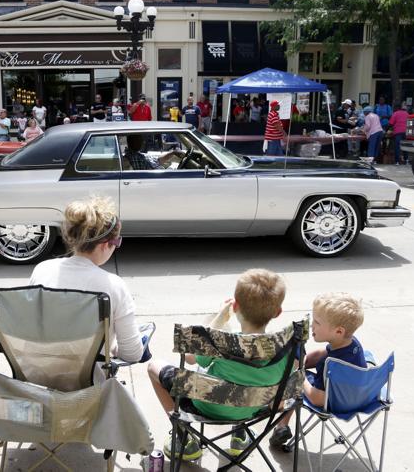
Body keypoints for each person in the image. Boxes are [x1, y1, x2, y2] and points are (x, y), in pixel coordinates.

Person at [148, 269, 288, 460]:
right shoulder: (286, 347)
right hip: (254, 408)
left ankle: (184, 437)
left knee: (154, 367)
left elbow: (189, 357)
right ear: (278, 312)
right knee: (247, 382)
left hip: (208, 406)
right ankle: (240, 434)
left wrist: (220, 319)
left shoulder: (223, 343)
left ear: (236, 306)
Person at [29, 197, 144, 364]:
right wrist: (111, 347)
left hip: (41, 375)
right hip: (90, 385)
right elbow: (133, 354)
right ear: (105, 245)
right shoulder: (113, 285)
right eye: (117, 241)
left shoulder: (42, 270)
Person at [270, 292, 366, 448]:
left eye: (317, 322)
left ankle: (281, 424)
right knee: (297, 360)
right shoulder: (349, 344)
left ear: (338, 331)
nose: (311, 325)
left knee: (292, 382)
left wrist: (299, 375)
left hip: (334, 400)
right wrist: (303, 362)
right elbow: (322, 354)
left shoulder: (336, 367)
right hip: (353, 393)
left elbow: (317, 398)